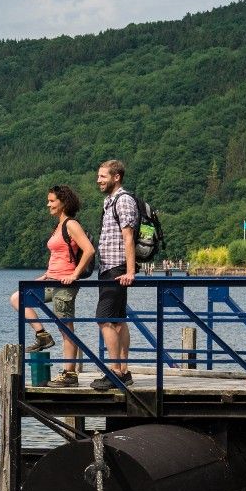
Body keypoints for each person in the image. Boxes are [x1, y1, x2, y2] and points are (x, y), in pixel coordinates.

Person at [10, 185, 95, 387]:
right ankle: (42, 335)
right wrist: (45, 275)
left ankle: (69, 374)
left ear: (63, 202)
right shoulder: (58, 226)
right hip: (51, 280)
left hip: (65, 284)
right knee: (17, 298)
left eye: (52, 201)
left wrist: (74, 274)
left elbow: (89, 250)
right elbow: (58, 255)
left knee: (66, 329)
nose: (48, 204)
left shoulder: (71, 224)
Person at [92, 159, 138, 391]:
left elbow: (128, 237)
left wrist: (130, 271)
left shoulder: (123, 200)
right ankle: (124, 371)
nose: (98, 180)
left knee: (104, 318)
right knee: (118, 320)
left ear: (116, 177)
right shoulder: (109, 201)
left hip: (117, 268)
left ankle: (115, 372)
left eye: (103, 176)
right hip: (108, 267)